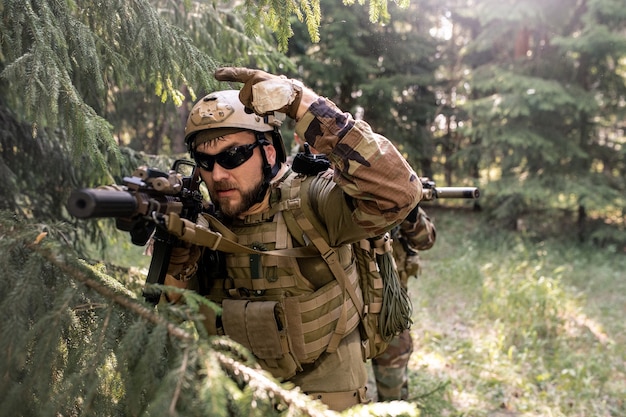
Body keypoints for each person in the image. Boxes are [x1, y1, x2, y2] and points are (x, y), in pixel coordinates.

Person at [163, 67, 422, 411]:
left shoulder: (313, 200)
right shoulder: (201, 225)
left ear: (269, 152)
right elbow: (171, 319)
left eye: (233, 156)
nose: (218, 174)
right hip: (235, 397)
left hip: (326, 401)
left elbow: (399, 192)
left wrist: (300, 103)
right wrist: (176, 255)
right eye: (204, 162)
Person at [367, 205, 436, 402]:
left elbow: (426, 239)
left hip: (389, 308)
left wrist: (410, 211)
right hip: (342, 304)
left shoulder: (396, 187)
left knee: (393, 391)